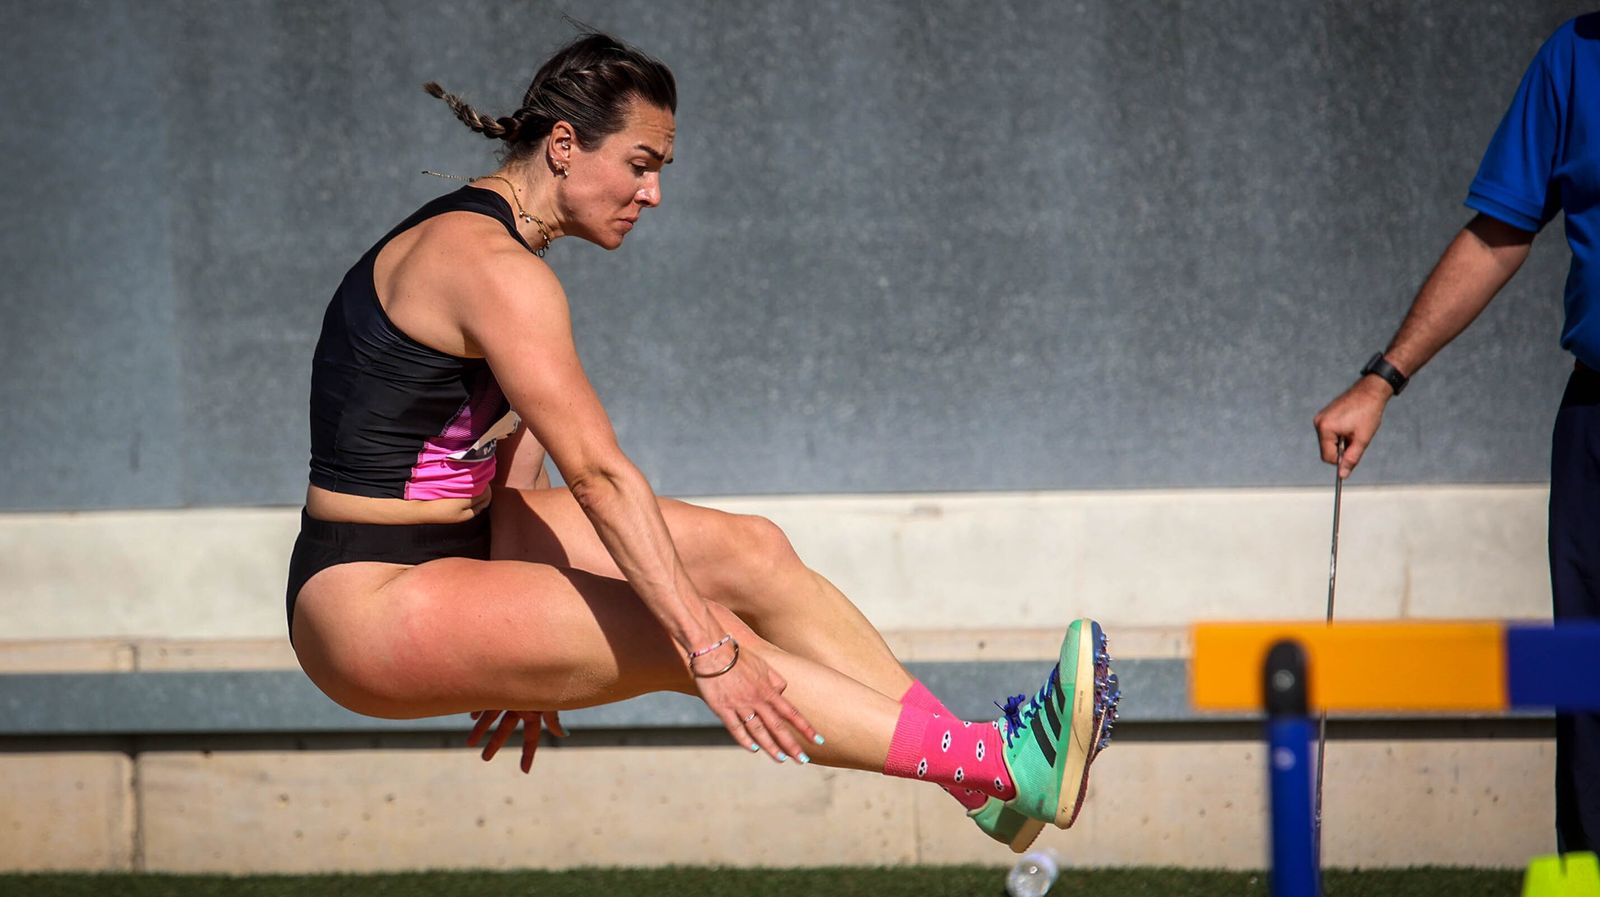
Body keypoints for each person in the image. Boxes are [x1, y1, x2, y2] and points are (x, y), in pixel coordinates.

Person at [285, 32, 1119, 854]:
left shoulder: (511, 250)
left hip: (456, 549)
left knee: (751, 551)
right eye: (640, 164)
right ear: (567, 147)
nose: (652, 195)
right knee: (688, 627)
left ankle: (988, 786)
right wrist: (708, 649)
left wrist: (514, 637)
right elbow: (601, 477)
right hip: (366, 597)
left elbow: (507, 451)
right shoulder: (487, 264)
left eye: (659, 172)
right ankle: (996, 761)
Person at [1313, 14, 1600, 853]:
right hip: (1595, 420)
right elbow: (1500, 228)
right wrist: (1382, 378)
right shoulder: (1575, 54)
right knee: (1588, 693)